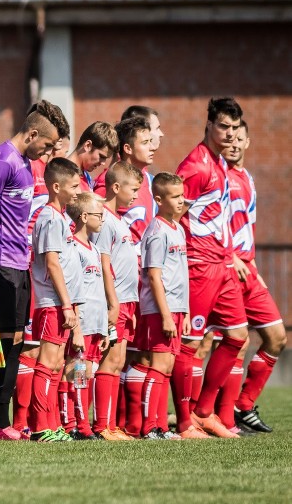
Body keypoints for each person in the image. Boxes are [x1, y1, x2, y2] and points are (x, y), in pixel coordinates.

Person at [0, 99, 69, 441]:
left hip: (21, 265)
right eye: (46, 144)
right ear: (32, 134)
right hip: (0, 265)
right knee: (2, 345)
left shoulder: (25, 164)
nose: (47, 151)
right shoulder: (3, 161)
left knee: (16, 343)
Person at [174, 97, 249, 439]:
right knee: (189, 344)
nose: (231, 134)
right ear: (208, 126)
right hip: (199, 265)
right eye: (224, 127)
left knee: (237, 336)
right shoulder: (196, 166)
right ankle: (186, 421)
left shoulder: (220, 163)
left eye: (235, 128)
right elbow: (173, 214)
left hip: (222, 263)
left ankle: (205, 411)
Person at [219, 121, 286, 433]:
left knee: (276, 337)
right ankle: (220, 413)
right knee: (234, 343)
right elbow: (210, 223)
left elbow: (246, 228)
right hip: (226, 267)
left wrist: (254, 265)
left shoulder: (248, 178)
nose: (233, 143)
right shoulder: (219, 177)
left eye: (239, 139)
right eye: (229, 138)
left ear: (247, 142)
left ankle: (243, 405)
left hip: (249, 270)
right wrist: (230, 256)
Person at [137, 173, 205, 439]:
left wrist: (184, 311)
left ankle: (161, 426)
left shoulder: (177, 228)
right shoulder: (157, 231)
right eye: (175, 196)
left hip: (176, 308)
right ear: (158, 199)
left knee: (167, 368)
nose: (181, 201)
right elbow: (154, 275)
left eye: (182, 195)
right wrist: (166, 315)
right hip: (159, 309)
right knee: (159, 365)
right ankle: (149, 427)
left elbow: (180, 274)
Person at [28, 157, 83, 442]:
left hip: (62, 303)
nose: (78, 191)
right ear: (57, 186)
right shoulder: (49, 217)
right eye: (74, 186)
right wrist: (65, 304)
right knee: (47, 363)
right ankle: (40, 426)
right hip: (52, 303)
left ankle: (52, 424)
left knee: (57, 364)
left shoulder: (61, 218)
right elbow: (51, 263)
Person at [90, 161, 143, 440]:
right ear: (116, 187)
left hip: (127, 301)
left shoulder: (119, 219)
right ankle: (101, 426)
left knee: (119, 359)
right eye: (133, 189)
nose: (136, 195)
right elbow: (103, 263)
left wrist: (130, 304)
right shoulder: (104, 219)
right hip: (115, 301)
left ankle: (110, 425)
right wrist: (113, 303)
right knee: (109, 361)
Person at [63, 192, 108, 440]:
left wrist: (105, 326)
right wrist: (77, 327)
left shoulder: (95, 247)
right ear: (83, 216)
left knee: (87, 371)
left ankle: (78, 423)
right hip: (82, 323)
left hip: (96, 322)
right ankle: (77, 425)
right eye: (98, 215)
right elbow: (74, 289)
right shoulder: (72, 246)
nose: (102, 219)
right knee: (77, 371)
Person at [67, 121, 117, 191]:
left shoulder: (86, 176)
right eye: (101, 156)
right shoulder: (63, 175)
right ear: (87, 146)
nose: (103, 163)